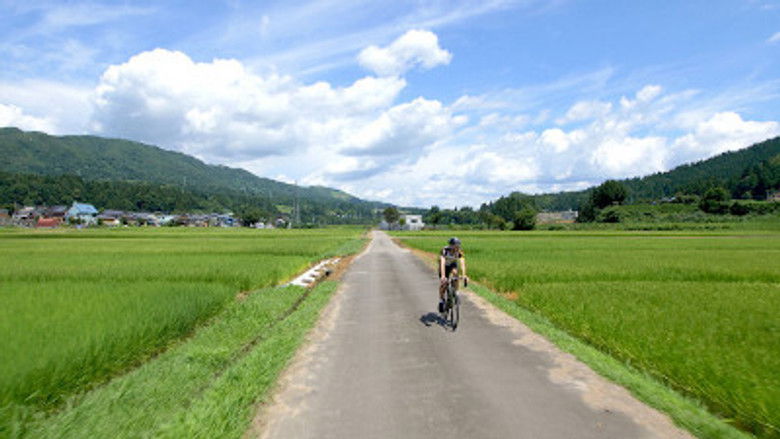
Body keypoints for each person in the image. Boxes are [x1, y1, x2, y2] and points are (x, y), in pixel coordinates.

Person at [438, 237, 467, 312]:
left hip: (452, 265)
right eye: (455, 246)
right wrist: (443, 276)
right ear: (450, 245)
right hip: (444, 266)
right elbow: (442, 263)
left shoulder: (459, 252)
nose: (456, 248)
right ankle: (441, 300)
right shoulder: (444, 251)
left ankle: (456, 293)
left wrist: (464, 275)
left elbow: (462, 263)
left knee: (455, 274)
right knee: (444, 284)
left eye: (458, 246)